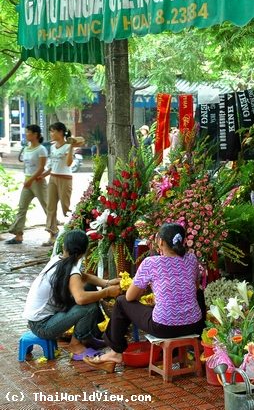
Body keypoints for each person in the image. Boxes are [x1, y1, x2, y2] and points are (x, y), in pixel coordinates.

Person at [83, 223, 206, 373]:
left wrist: (145, 289)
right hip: (194, 324)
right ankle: (200, 341)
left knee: (121, 302)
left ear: (160, 242)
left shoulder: (151, 263)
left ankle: (115, 353)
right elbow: (193, 286)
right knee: (199, 293)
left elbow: (130, 296)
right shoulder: (191, 259)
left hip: (164, 328)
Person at [23, 230, 121, 360]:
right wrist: (107, 292)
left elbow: (83, 276)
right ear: (83, 253)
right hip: (42, 326)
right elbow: (80, 299)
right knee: (88, 308)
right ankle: (75, 346)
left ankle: (87, 337)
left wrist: (106, 283)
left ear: (64, 247)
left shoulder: (58, 259)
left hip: (36, 321)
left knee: (89, 288)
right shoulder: (71, 271)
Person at [39, 122, 82, 246]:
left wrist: (71, 148)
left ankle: (76, 228)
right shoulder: (53, 147)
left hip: (65, 178)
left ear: (61, 132)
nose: (51, 134)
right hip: (53, 178)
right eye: (51, 131)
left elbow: (68, 163)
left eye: (53, 131)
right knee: (50, 207)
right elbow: (52, 165)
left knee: (66, 208)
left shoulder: (68, 146)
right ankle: (52, 233)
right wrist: (43, 175)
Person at [5, 125, 48, 245]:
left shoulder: (41, 149)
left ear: (35, 134)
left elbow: (41, 168)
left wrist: (31, 180)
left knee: (47, 206)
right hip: (27, 180)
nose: (26, 134)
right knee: (22, 207)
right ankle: (18, 235)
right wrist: (27, 179)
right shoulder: (26, 148)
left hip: (37, 182)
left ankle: (53, 232)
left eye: (28, 132)